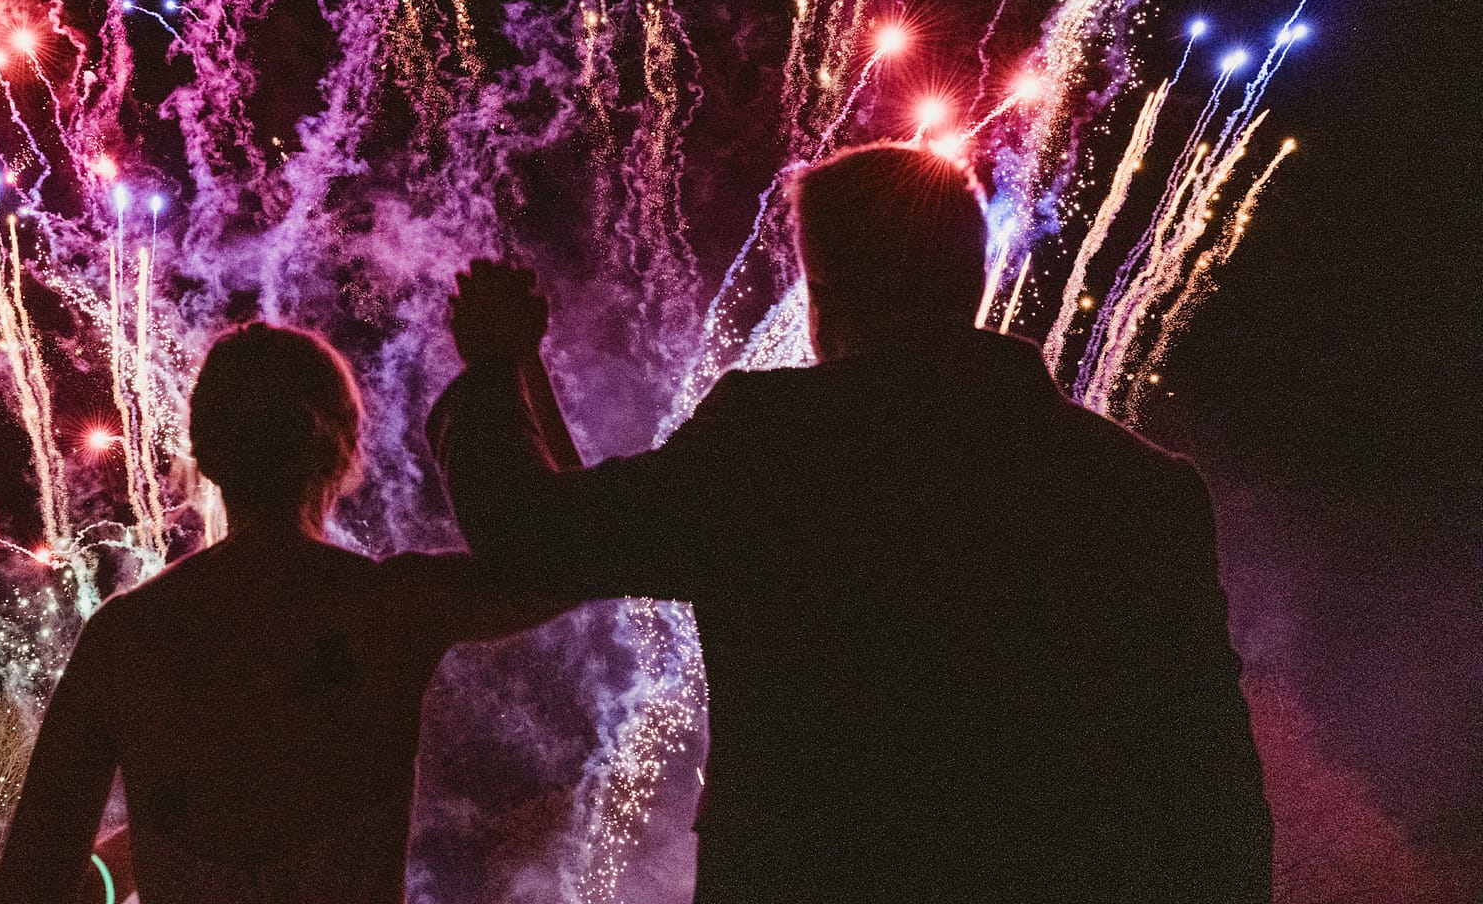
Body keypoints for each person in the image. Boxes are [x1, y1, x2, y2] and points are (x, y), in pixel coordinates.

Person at [428, 143, 1272, 901]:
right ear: (972, 278)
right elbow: (1212, 787)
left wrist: (496, 366)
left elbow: (535, 537)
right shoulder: (1142, 487)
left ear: (824, 289)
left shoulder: (772, 442)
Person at [0, 321, 558, 904]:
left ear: (206, 457)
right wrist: (513, 362)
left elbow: (28, 886)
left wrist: (150, 851)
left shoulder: (123, 638)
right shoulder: (392, 606)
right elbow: (584, 557)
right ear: (340, 451)